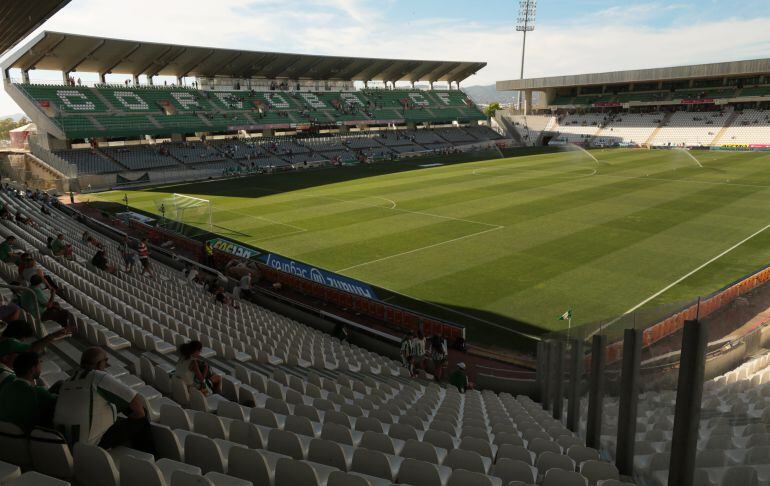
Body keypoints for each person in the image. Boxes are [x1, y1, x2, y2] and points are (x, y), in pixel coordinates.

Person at [54, 347, 155, 452]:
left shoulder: (68, 381)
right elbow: (136, 401)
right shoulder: (97, 376)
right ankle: (150, 455)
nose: (107, 365)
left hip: (67, 443)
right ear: (99, 364)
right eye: (106, 361)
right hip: (90, 444)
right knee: (141, 419)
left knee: (125, 412)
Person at [0, 351, 57, 431]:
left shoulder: (5, 388)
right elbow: (57, 401)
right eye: (39, 364)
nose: (41, 367)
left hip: (7, 434)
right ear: (33, 369)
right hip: (28, 435)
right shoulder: (36, 392)